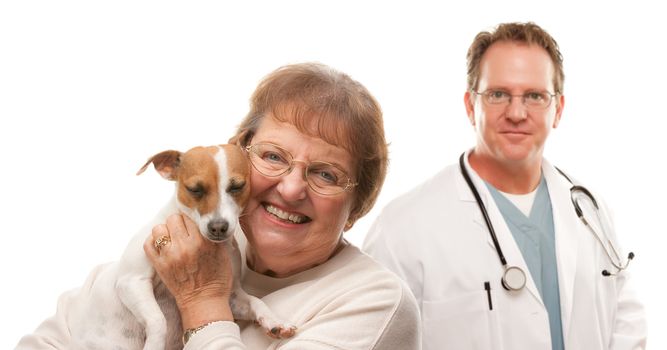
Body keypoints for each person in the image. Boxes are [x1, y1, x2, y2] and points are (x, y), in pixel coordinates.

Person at [17, 63, 421, 349]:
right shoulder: (176, 248)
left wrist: (203, 300)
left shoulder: (376, 303)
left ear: (358, 204)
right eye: (274, 157)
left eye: (326, 174)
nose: (292, 188)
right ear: (237, 159)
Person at [363, 22, 646, 350]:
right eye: (498, 94)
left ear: (558, 109)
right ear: (471, 106)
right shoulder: (403, 228)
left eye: (535, 96)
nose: (516, 112)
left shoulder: (589, 210)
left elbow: (626, 317)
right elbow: (377, 339)